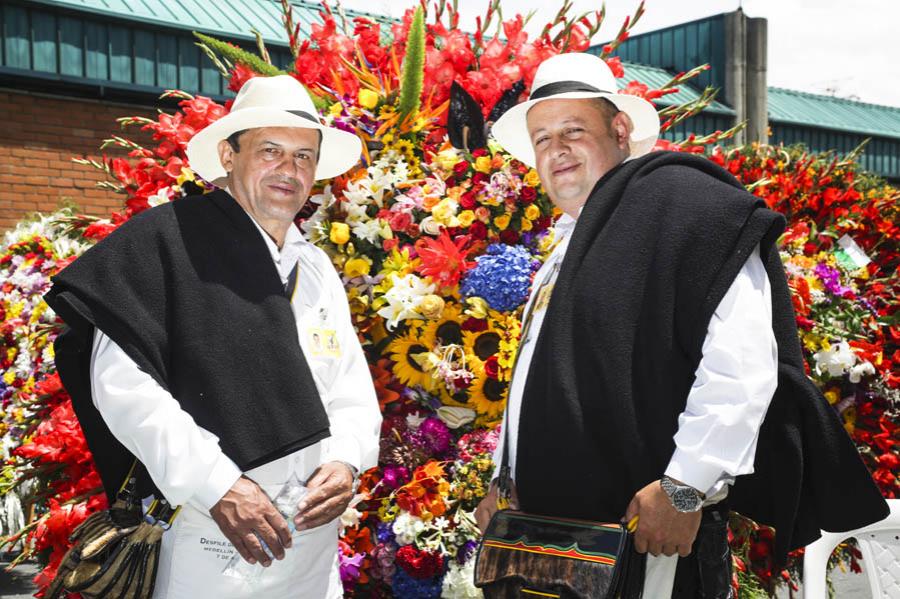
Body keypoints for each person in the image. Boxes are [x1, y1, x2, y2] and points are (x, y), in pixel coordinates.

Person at [475, 52, 887, 597]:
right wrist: (503, 481)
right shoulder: (566, 244)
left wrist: (684, 489)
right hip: (551, 537)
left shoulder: (684, 208)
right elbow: (541, 377)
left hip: (644, 539)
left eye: (574, 130)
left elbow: (741, 366)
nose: (557, 150)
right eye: (543, 138)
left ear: (621, 130)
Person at [45, 75, 382, 598]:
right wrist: (219, 486)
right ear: (228, 154)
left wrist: (346, 459)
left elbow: (351, 388)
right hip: (210, 533)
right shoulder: (164, 243)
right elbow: (122, 387)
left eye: (303, 156)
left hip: (311, 553)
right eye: (270, 150)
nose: (289, 170)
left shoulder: (315, 267)